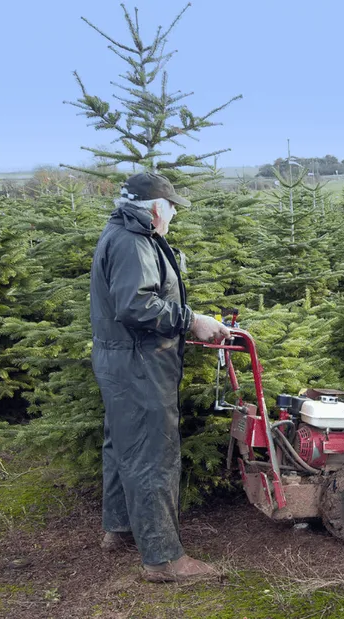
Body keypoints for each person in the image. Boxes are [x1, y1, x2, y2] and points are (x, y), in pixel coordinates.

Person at [89, 171, 230, 583]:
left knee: (121, 445)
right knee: (153, 452)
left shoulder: (123, 233)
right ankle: (164, 559)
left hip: (121, 360)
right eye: (171, 208)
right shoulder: (133, 242)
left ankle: (120, 528)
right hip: (138, 363)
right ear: (155, 208)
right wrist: (192, 321)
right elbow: (136, 306)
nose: (173, 216)